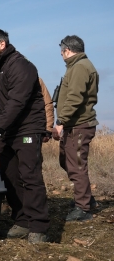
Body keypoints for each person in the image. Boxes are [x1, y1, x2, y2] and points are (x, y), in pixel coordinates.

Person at [0, 29, 49, 243]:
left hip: (27, 130)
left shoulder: (20, 65)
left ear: (1, 45)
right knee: (9, 176)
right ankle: (21, 221)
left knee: (30, 176)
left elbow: (16, 102)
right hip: (8, 132)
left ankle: (39, 227)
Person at [52, 35, 99, 221]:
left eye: (62, 52)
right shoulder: (76, 67)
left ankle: (83, 208)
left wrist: (60, 121)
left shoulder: (80, 67)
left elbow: (75, 97)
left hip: (79, 125)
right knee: (66, 161)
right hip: (74, 124)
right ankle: (86, 197)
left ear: (67, 50)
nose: (61, 55)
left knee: (77, 166)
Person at [0, 78, 55, 142]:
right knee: (5, 157)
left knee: (28, 154)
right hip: (4, 135)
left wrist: (48, 129)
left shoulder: (34, 79)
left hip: (27, 134)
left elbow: (47, 104)